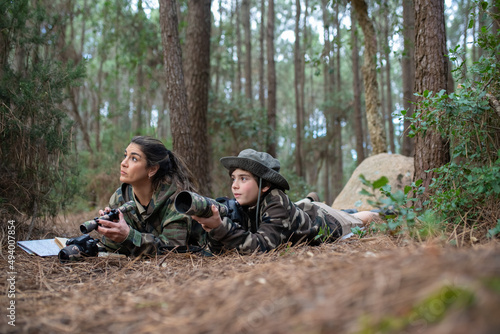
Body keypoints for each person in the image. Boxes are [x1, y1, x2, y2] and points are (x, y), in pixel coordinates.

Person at [192, 149, 379, 255]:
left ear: (264, 185)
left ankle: (382, 211)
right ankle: (310, 200)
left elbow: (262, 246)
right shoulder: (244, 204)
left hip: (324, 222)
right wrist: (213, 228)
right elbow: (217, 252)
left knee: (358, 218)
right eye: (233, 178)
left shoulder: (276, 201)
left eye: (243, 179)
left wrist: (222, 227)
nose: (234, 186)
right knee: (300, 207)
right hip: (296, 214)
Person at [96, 136, 204, 256]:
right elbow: (114, 249)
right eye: (125, 156)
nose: (123, 163)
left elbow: (173, 250)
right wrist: (110, 230)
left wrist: (128, 236)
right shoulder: (120, 196)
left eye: (134, 159)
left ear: (152, 169)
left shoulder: (178, 199)